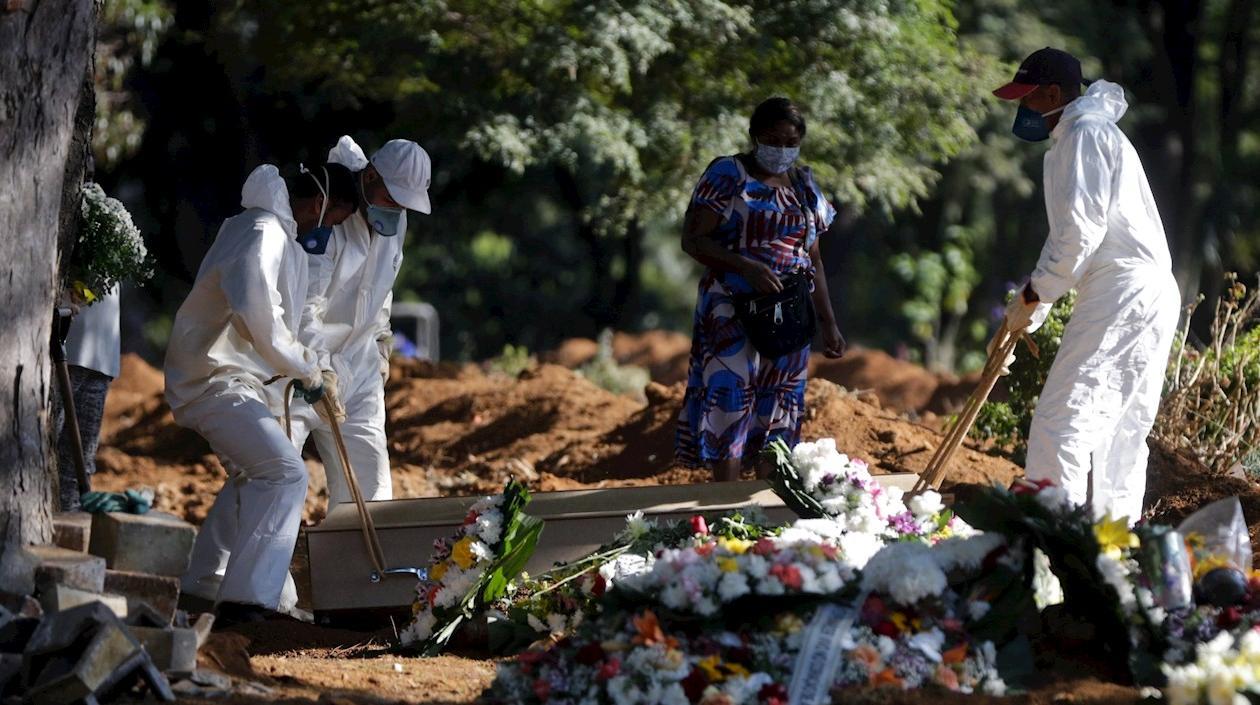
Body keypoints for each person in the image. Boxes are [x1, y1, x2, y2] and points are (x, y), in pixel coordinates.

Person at [166, 161, 358, 624]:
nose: (325, 231)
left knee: (253, 476)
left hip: (228, 379)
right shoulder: (262, 232)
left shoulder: (269, 232)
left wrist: (315, 370)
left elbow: (281, 326)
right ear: (318, 203)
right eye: (331, 220)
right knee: (285, 474)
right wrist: (310, 372)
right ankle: (247, 604)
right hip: (213, 381)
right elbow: (263, 323)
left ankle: (203, 585)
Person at [994, 48, 1180, 523]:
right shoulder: (1082, 134)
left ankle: (1055, 540)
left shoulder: (1084, 134)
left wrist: (1035, 294)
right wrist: (1029, 310)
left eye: (1028, 98)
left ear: (1053, 94)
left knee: (1064, 418)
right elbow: (1070, 240)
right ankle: (1109, 551)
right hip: (1141, 288)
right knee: (1119, 430)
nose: (1023, 110)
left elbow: (1080, 234)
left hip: (1123, 289)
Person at [676, 97, 846, 482]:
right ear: (754, 137)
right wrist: (746, 266)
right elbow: (693, 240)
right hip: (732, 308)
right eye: (772, 140)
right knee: (731, 399)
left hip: (788, 312)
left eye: (790, 142)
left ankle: (766, 504)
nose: (781, 150)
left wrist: (829, 323)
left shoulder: (804, 185)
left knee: (779, 405)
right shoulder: (728, 173)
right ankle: (726, 501)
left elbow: (813, 259)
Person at [286, 135, 431, 507]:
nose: (395, 210)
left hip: (360, 366)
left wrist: (382, 340)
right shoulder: (330, 213)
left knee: (372, 485)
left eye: (402, 204)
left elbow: (382, 288)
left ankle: (355, 566)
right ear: (369, 177)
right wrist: (317, 369)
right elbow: (304, 304)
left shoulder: (395, 223)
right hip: (300, 364)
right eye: (389, 199)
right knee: (274, 475)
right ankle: (219, 566)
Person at [55, 286, 120, 510]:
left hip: (101, 353)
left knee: (80, 461)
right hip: (66, 346)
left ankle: (71, 517)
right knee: (47, 442)